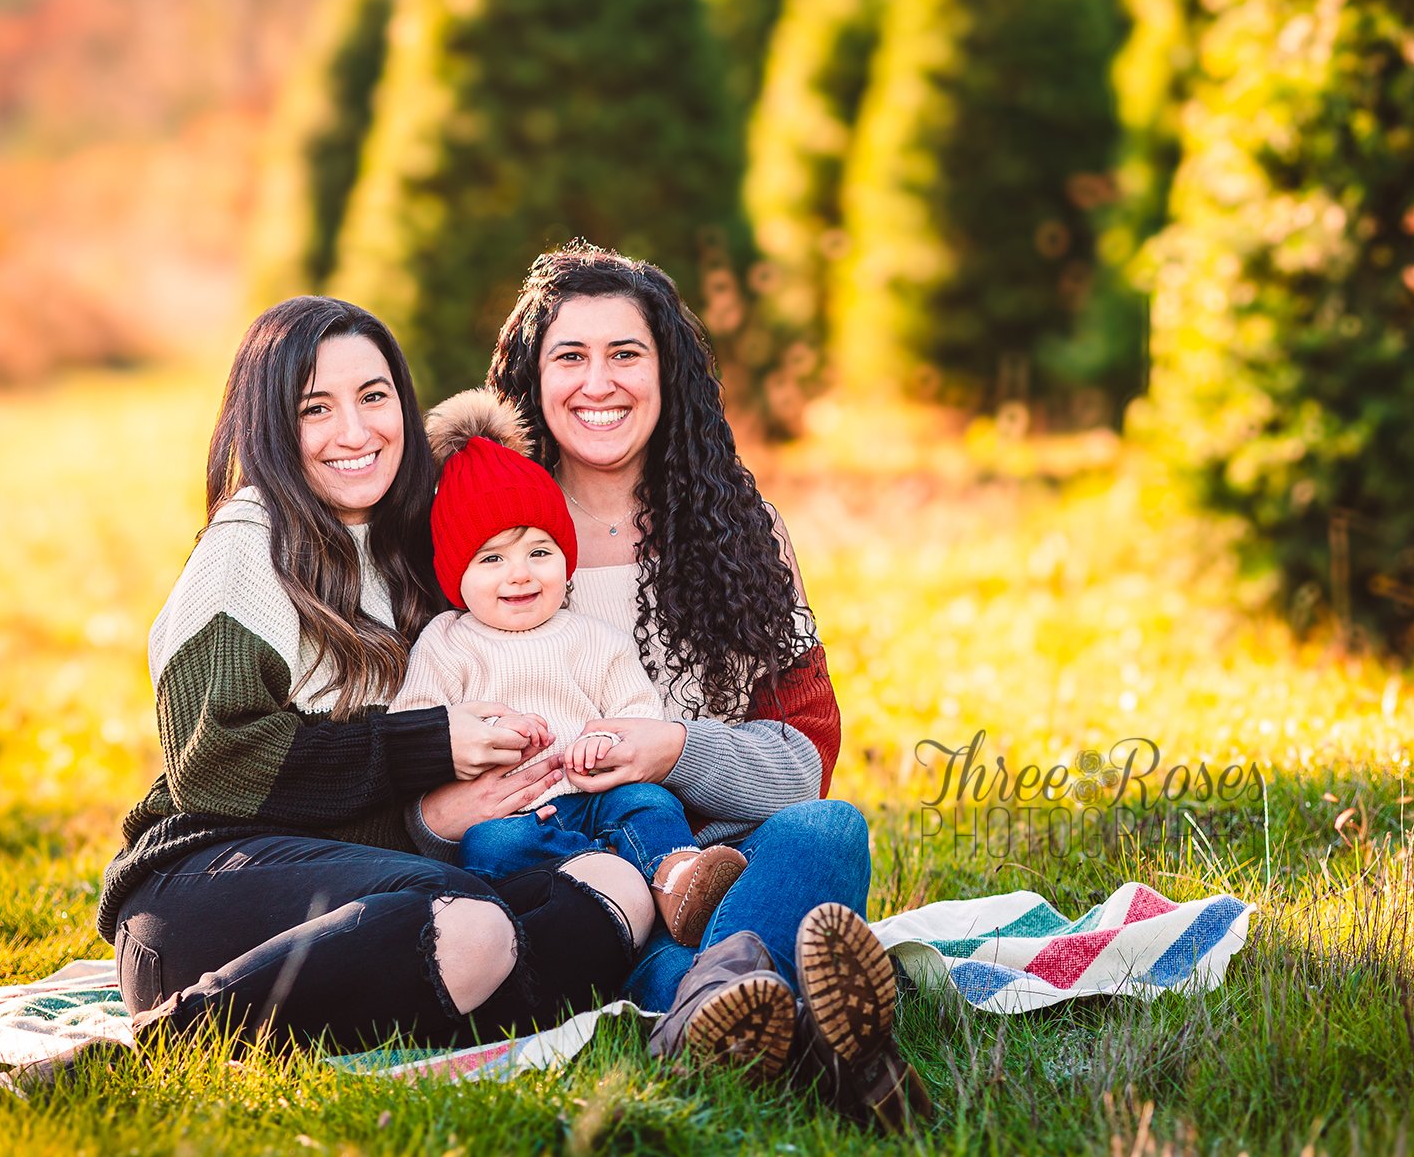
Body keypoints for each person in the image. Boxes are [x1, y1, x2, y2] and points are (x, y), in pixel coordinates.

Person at [410, 242, 928, 1128]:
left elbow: (805, 759)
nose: (597, 382)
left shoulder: (738, 530)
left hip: (720, 872)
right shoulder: (480, 535)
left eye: (626, 354)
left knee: (829, 829)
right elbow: (409, 750)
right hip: (561, 877)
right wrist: (440, 818)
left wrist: (676, 749)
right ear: (531, 379)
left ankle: (709, 1005)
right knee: (639, 932)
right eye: (569, 356)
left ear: (667, 371)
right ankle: (829, 1048)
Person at [97, 296, 652, 1054]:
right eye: (315, 408)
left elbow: (386, 816)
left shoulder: (412, 550)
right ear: (270, 424)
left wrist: (448, 814)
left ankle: (467, 998)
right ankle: (169, 1037)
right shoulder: (249, 541)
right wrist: (430, 745)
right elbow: (215, 764)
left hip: (379, 893)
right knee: (464, 917)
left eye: (373, 397)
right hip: (205, 890)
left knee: (615, 888)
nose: (354, 432)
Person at [370, 386, 748, 947]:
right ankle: (596, 883)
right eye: (492, 558)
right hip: (515, 814)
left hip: (597, 793)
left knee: (649, 804)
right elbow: (416, 726)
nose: (520, 574)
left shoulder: (590, 638)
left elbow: (638, 711)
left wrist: (605, 741)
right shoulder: (448, 643)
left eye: (538, 552)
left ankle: (675, 878)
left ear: (564, 561)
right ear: (456, 576)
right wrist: (478, 738)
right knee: (488, 848)